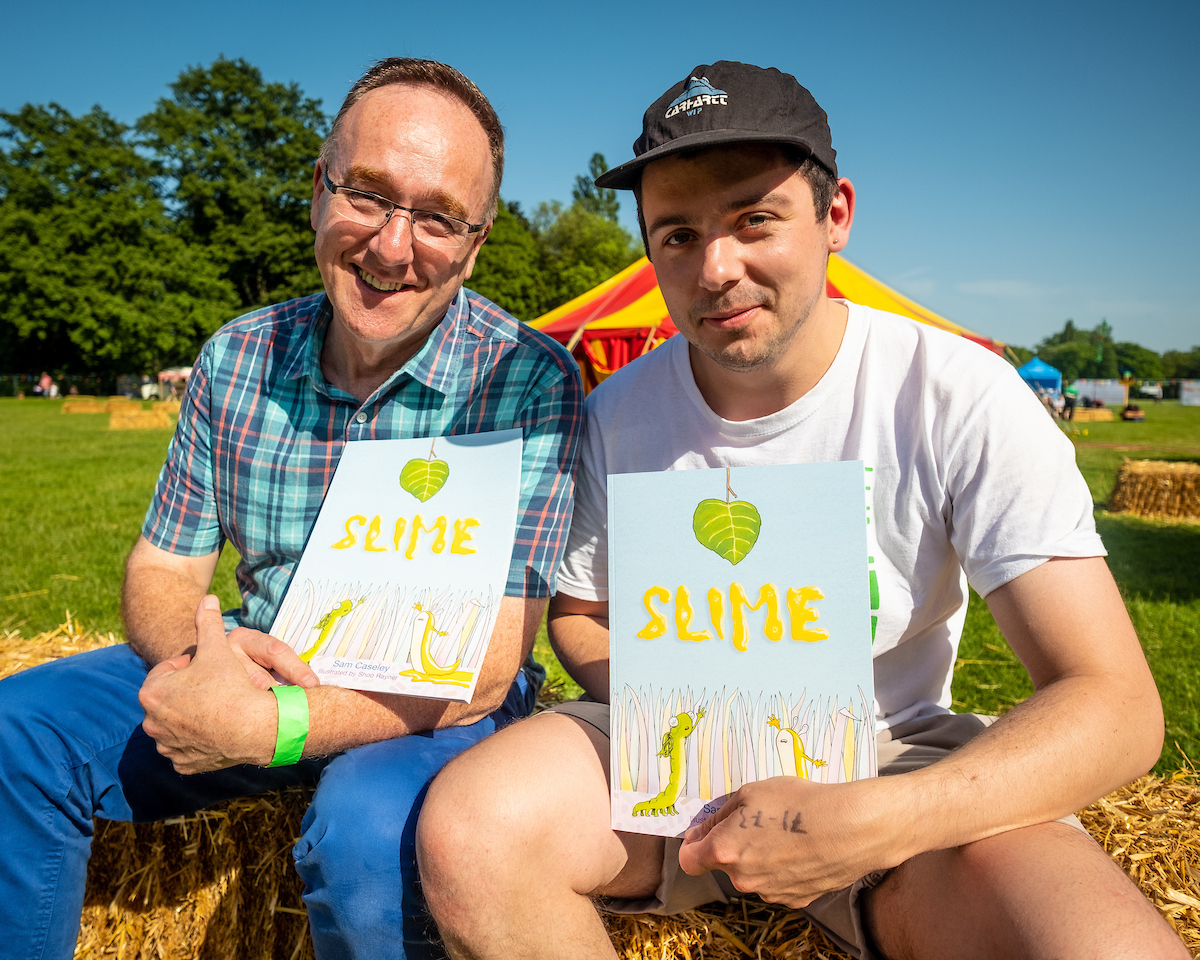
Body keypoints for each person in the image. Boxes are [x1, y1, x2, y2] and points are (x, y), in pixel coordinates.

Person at [415, 61, 1188, 960]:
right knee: (472, 830)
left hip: (894, 757)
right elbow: (583, 615)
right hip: (669, 741)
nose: (716, 268)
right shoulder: (617, 411)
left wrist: (884, 819)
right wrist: (697, 714)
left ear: (836, 216)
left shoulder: (957, 394)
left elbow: (1117, 705)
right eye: (677, 234)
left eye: (754, 220)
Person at [0, 58, 582, 960]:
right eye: (367, 194)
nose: (392, 247)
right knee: (18, 732)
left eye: (436, 217)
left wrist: (278, 727)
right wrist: (205, 658)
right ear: (318, 189)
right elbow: (162, 566)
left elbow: (485, 673)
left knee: (365, 835)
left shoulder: (527, 380)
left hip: (428, 709)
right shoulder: (236, 357)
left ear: (476, 240)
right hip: (246, 657)